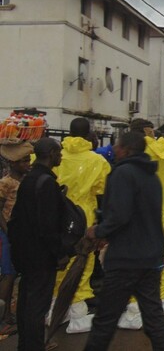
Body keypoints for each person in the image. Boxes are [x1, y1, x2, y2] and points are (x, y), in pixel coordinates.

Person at [83, 132, 164, 351]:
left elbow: (119, 216)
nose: (114, 149)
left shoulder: (122, 174)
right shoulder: (153, 177)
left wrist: (98, 231)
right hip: (151, 258)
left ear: (127, 149)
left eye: (117, 146)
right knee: (154, 319)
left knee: (105, 320)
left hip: (125, 259)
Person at [51, 117, 111, 333]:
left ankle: (55, 307)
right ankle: (77, 311)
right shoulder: (97, 162)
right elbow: (103, 191)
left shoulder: (57, 155)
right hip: (83, 217)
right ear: (88, 134)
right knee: (82, 262)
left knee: (59, 260)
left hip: (57, 217)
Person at [127, 119, 164, 324]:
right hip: (160, 215)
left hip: (134, 217)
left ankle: (136, 306)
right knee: (157, 256)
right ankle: (159, 300)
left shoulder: (131, 152)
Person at [9, 138, 67, 351]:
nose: (61, 156)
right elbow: (48, 225)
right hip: (41, 255)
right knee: (36, 305)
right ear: (51, 153)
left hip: (26, 252)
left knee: (26, 301)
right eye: (59, 152)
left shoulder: (29, 179)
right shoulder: (46, 183)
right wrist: (59, 253)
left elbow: (17, 219)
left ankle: (26, 344)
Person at [0, 142, 33, 335]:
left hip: (19, 232)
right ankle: (3, 318)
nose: (28, 164)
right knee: (9, 274)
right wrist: (8, 231)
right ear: (13, 164)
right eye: (24, 161)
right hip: (7, 233)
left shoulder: (26, 180)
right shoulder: (5, 183)